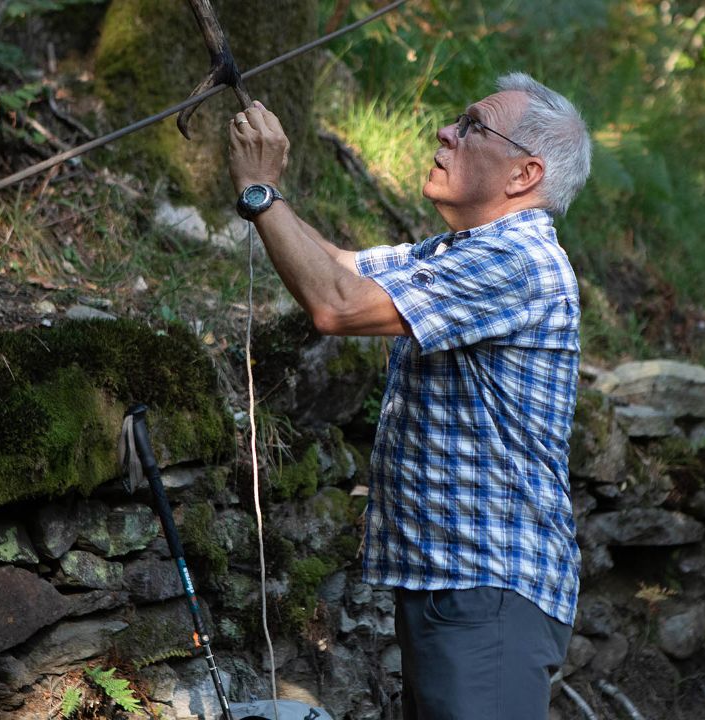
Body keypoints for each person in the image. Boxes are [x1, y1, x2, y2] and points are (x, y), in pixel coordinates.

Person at [227, 71, 592, 720]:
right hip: (460, 588)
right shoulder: (466, 250)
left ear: (522, 174)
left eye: (473, 125)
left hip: (488, 591)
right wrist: (269, 191)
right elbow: (341, 268)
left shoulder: (516, 260)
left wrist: (260, 193)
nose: (444, 132)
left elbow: (336, 307)